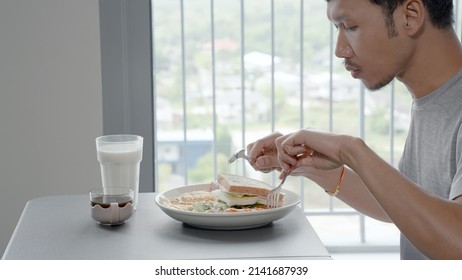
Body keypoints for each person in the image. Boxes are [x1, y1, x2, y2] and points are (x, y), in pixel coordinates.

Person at [247, 0, 462, 260]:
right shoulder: (435, 101)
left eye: (350, 26)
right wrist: (311, 164)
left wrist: (351, 150)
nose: (339, 50)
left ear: (410, 16)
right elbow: (407, 209)